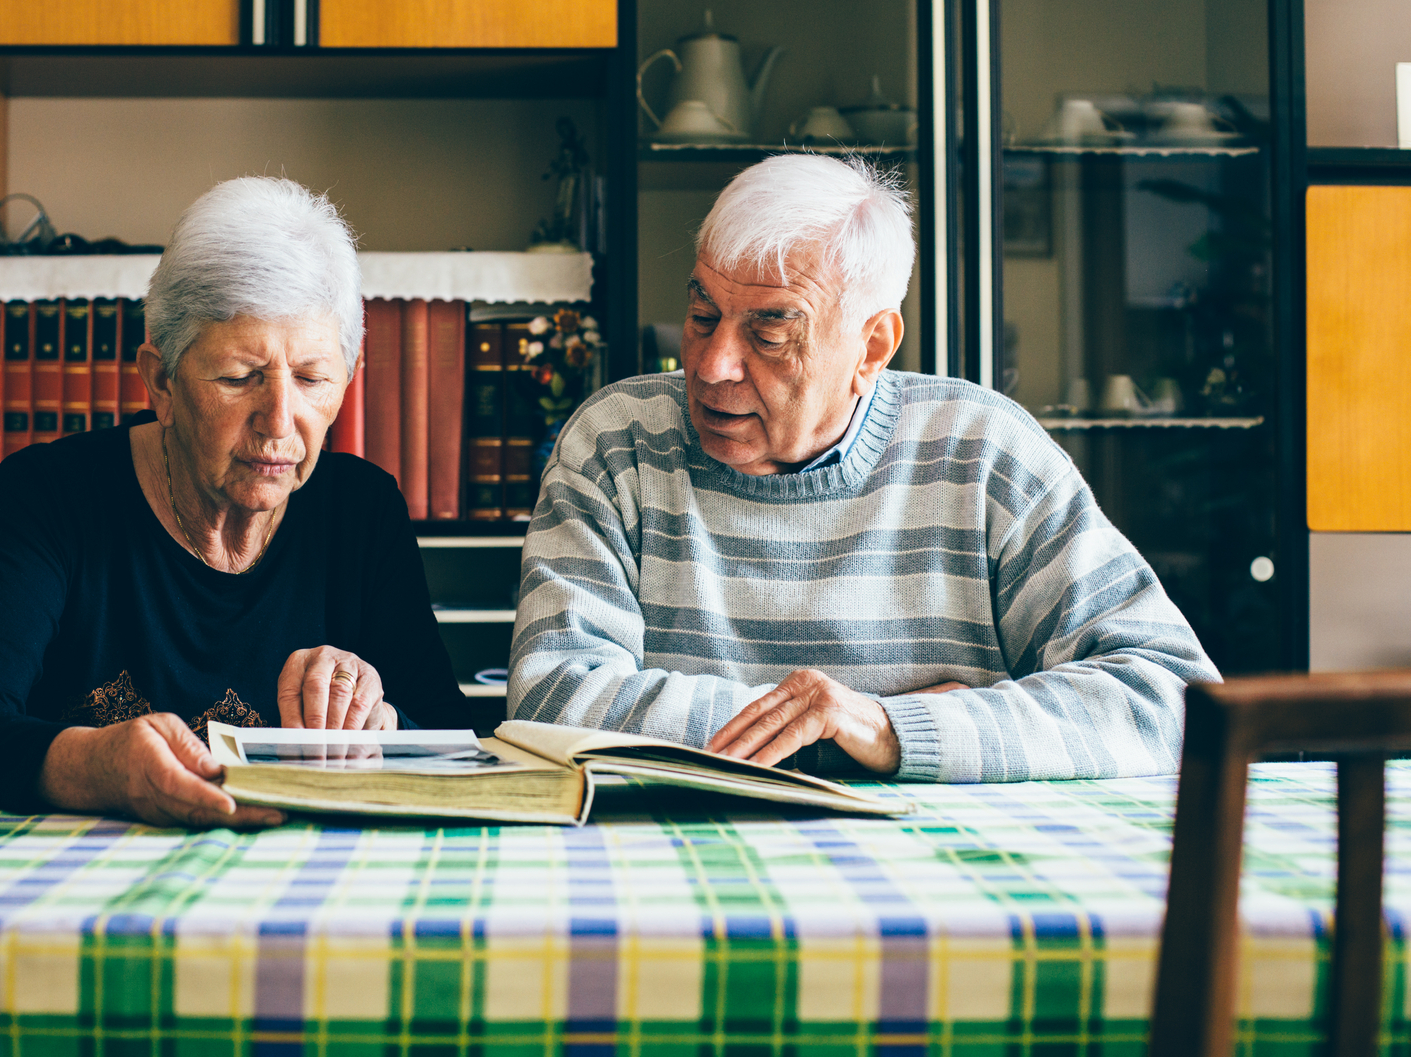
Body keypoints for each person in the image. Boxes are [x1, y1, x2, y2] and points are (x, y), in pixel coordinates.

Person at [509, 154, 1218, 782]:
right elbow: (553, 698)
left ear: (872, 345)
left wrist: (884, 728)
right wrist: (856, 726)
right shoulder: (615, 442)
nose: (712, 364)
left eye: (770, 329)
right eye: (702, 313)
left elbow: (1169, 697)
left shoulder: (983, 453)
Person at [0, 176, 469, 825]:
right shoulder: (46, 495)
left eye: (311, 378)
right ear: (160, 380)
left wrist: (377, 721)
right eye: (240, 377)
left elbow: (453, 743)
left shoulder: (362, 510)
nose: (279, 421)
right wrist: (95, 766)